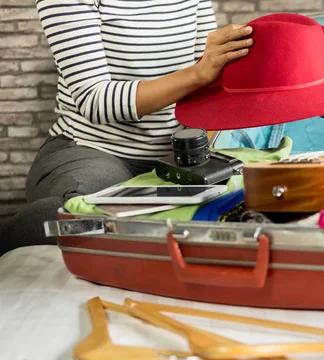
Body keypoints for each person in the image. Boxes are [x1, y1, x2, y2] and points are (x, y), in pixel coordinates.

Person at [0, 0, 253, 256]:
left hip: (174, 153)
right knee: (95, 221)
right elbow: (95, 100)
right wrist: (199, 74)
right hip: (91, 149)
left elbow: (208, 74)